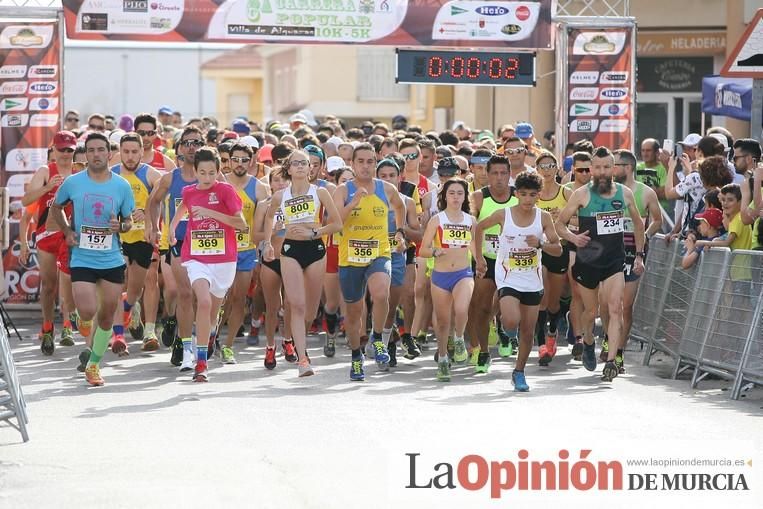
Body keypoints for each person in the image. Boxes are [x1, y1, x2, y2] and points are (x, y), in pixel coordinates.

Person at [50, 132, 135, 386]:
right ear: (85, 155)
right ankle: (80, 320)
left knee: (107, 316)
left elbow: (129, 221)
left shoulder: (121, 185)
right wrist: (67, 231)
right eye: (91, 150)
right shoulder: (74, 183)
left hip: (111, 259)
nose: (96, 154)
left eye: (100, 150)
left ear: (109, 154)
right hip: (83, 257)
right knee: (87, 311)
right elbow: (56, 207)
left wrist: (120, 226)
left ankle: (94, 365)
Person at [555, 147, 645, 382]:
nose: (602, 172)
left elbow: (638, 224)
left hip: (614, 261)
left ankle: (613, 361)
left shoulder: (624, 194)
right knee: (591, 312)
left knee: (615, 308)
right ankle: (587, 341)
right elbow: (560, 224)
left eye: (607, 167)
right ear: (592, 169)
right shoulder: (581, 194)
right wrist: (574, 239)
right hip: (588, 261)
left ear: (613, 168)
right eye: (597, 167)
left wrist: (639, 255)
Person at [476, 171, 562, 391]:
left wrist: (540, 245)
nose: (527, 199)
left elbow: (557, 248)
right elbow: (479, 228)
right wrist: (479, 258)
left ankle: (519, 372)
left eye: (532, 195)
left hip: (532, 280)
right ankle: (503, 314)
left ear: (538, 196)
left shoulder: (543, 218)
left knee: (527, 331)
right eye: (523, 194)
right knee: (512, 321)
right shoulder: (503, 214)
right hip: (507, 276)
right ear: (517, 194)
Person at [169, 147, 246, 382]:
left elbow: (241, 224)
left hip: (224, 259)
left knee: (212, 311)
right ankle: (201, 362)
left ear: (218, 171)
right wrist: (171, 230)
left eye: (211, 173)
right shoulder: (189, 191)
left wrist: (213, 215)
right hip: (196, 256)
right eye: (202, 173)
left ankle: (210, 332)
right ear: (195, 171)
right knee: (202, 302)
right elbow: (182, 209)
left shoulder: (226, 191)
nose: (207, 178)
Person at [262, 150, 342, 377]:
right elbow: (269, 216)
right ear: (288, 168)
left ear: (311, 168)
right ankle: (303, 359)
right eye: (294, 163)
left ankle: (300, 341)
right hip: (290, 251)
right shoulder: (280, 196)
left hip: (315, 250)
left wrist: (316, 232)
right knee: (295, 305)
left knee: (309, 311)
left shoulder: (321, 193)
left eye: (303, 163)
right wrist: (268, 242)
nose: (299, 166)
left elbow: (337, 224)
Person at [333, 143, 407, 381]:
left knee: (381, 292)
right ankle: (356, 357)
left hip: (379, 252)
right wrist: (353, 203)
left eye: (370, 161)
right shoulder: (343, 191)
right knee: (354, 315)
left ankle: (377, 337)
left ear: (376, 163)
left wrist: (399, 232)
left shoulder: (386, 189)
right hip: (350, 258)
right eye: (361, 161)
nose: (366, 166)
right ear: (352, 164)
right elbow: (334, 221)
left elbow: (400, 206)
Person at [145, 126, 205, 368]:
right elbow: (154, 201)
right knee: (184, 293)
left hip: (207, 242)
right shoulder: (171, 178)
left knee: (203, 297)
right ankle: (183, 341)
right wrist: (155, 227)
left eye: (196, 142)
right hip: (179, 241)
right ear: (179, 148)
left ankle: (197, 335)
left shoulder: (212, 175)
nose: (192, 147)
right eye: (187, 143)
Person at [21, 131, 79, 354]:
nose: (65, 154)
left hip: (70, 234)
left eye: (69, 150)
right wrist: (47, 187)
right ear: (53, 150)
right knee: (48, 286)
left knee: (70, 279)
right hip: (47, 234)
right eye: (61, 149)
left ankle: (67, 324)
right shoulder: (46, 171)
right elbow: (26, 201)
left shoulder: (79, 172)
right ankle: (47, 328)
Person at [607, 149, 662, 371]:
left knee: (625, 305)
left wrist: (645, 236)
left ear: (627, 168)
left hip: (633, 252)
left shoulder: (646, 193)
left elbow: (657, 220)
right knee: (609, 304)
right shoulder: (607, 191)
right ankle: (609, 340)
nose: (611, 169)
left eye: (615, 165)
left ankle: (618, 351)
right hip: (609, 251)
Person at [218, 142, 270, 364]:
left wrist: (266, 244)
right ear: (228, 161)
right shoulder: (219, 182)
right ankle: (211, 335)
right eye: (235, 159)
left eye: (244, 160)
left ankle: (228, 345)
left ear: (251, 162)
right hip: (219, 250)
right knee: (220, 299)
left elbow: (265, 222)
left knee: (239, 298)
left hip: (246, 250)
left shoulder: (259, 188)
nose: (239, 164)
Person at [111, 132, 164, 352]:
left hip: (143, 238)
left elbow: (162, 200)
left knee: (141, 285)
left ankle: (137, 316)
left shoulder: (151, 175)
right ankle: (118, 336)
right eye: (126, 152)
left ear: (142, 152)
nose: (130, 156)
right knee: (116, 282)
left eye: (135, 152)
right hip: (118, 237)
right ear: (120, 153)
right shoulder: (111, 175)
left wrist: (150, 216)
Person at [419, 178, 476, 381]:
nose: (455, 197)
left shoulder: (471, 221)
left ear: (465, 196)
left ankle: (459, 337)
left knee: (461, 309)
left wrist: (482, 263)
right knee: (443, 323)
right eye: (451, 193)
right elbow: (423, 250)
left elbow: (475, 248)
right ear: (444, 196)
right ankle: (443, 359)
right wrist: (435, 251)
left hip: (463, 274)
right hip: (441, 276)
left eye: (459, 193)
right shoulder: (437, 220)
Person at [467, 154, 518, 373]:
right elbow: (472, 227)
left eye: (503, 173)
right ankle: (484, 352)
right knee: (481, 306)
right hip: (486, 258)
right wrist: (478, 258)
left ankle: (503, 331)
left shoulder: (518, 196)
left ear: (509, 175)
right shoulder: (478, 198)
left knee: (506, 307)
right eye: (494, 173)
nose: (499, 178)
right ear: (487, 175)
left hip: (514, 260)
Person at [375, 158, 421, 366]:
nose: (388, 180)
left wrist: (401, 232)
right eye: (383, 176)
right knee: (378, 300)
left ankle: (389, 342)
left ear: (400, 177)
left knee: (393, 302)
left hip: (397, 255)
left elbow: (418, 234)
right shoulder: (369, 199)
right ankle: (383, 341)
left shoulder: (407, 201)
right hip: (371, 255)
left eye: (391, 175)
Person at [534, 152, 572, 365]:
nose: (546, 170)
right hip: (539, 250)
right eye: (542, 166)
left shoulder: (566, 193)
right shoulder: (534, 194)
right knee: (542, 296)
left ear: (557, 168)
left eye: (550, 165)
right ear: (537, 170)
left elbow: (577, 217)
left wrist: (563, 216)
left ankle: (552, 330)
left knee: (554, 301)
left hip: (559, 248)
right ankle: (541, 345)